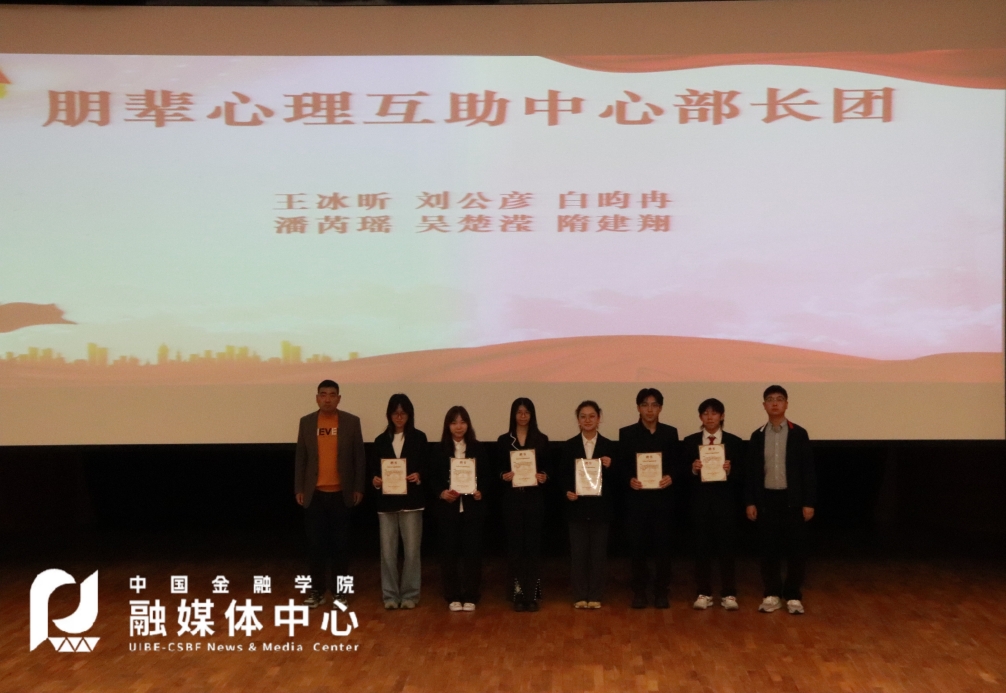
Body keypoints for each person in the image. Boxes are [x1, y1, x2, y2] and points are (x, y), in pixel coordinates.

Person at [745, 385, 816, 615]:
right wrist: (750, 501)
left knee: (796, 550)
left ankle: (793, 595)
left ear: (786, 404)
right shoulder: (757, 435)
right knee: (768, 550)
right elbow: (752, 472)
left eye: (779, 399)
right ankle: (772, 594)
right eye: (770, 399)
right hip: (767, 500)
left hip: (793, 500)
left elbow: (808, 471)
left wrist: (809, 502)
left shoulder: (799, 433)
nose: (774, 403)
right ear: (764, 405)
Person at [294, 380, 366, 609]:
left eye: (332, 394)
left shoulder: (351, 422)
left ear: (339, 398)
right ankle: (317, 591)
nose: (327, 399)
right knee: (315, 546)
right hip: (314, 494)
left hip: (341, 494)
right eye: (323, 394)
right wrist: (299, 488)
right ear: (317, 398)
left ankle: (340, 593)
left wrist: (358, 487)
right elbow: (301, 458)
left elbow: (359, 458)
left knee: (341, 547)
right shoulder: (306, 422)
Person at [618, 388, 680, 609]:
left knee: (663, 548)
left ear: (660, 408)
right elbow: (621, 466)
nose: (650, 409)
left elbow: (677, 464)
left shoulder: (670, 433)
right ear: (638, 408)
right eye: (645, 405)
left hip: (663, 501)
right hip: (637, 502)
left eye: (654, 405)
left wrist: (671, 477)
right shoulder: (626, 434)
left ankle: (662, 591)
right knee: (638, 549)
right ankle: (639, 592)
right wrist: (629, 479)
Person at [683, 398, 745, 611]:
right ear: (700, 417)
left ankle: (729, 593)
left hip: (725, 504)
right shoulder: (690, 442)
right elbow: (681, 475)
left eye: (714, 413)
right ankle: (704, 593)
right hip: (699, 504)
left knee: (727, 549)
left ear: (722, 416)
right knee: (701, 549)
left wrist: (731, 470)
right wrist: (693, 469)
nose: (710, 417)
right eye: (705, 413)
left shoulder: (734, 442)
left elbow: (744, 475)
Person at [368, 394, 428, 610]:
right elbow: (374, 471)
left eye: (403, 413)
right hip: (386, 505)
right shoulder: (380, 441)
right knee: (388, 553)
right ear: (389, 415)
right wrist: (375, 481)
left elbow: (426, 466)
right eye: (395, 413)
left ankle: (410, 594)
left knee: (412, 552)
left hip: (411, 503)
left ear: (409, 415)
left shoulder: (419, 438)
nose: (399, 417)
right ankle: (390, 595)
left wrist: (419, 475)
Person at [430, 406, 491, 612]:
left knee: (473, 554)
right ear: (448, 425)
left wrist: (481, 491)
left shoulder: (478, 448)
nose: (459, 427)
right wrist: (441, 493)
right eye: (454, 422)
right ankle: (452, 595)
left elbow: (487, 477)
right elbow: (432, 478)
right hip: (448, 510)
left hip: (473, 509)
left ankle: (471, 595)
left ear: (468, 425)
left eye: (462, 422)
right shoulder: (439, 450)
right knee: (449, 554)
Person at [560, 401, 618, 609]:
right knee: (578, 554)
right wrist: (567, 492)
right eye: (583, 416)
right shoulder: (569, 446)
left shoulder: (610, 446)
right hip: (577, 509)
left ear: (599, 418)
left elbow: (619, 482)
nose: (587, 420)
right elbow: (562, 477)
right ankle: (579, 595)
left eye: (592, 416)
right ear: (578, 420)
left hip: (601, 509)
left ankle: (595, 595)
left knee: (598, 555)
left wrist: (611, 467)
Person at [496, 397, 551, 612]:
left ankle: (532, 594)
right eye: (519, 412)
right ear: (513, 415)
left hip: (534, 500)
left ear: (532, 415)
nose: (522, 416)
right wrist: (504, 475)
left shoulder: (541, 439)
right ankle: (518, 594)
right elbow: (497, 470)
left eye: (526, 412)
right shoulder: (503, 440)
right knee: (515, 548)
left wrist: (544, 476)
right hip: (512, 501)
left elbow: (548, 469)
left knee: (533, 548)